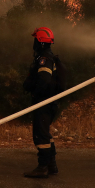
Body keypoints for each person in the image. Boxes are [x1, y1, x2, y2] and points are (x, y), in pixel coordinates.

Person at [23, 27, 64, 178]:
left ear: (40, 42)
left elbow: (44, 80)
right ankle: (51, 165)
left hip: (44, 103)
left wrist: (36, 93)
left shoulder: (44, 59)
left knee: (40, 135)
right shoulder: (49, 56)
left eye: (35, 40)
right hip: (50, 103)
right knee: (45, 132)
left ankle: (43, 167)